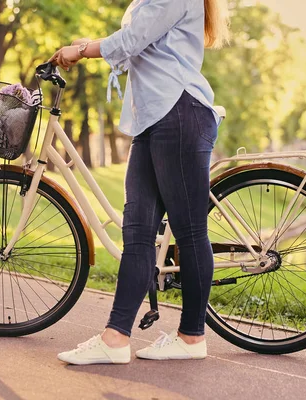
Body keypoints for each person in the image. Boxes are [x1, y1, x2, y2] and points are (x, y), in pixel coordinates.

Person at [50, 0, 230, 365]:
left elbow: (132, 39)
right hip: (153, 118)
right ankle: (115, 339)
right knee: (137, 233)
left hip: (178, 113)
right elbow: (137, 38)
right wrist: (91, 43)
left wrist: (83, 49)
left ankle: (192, 336)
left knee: (190, 231)